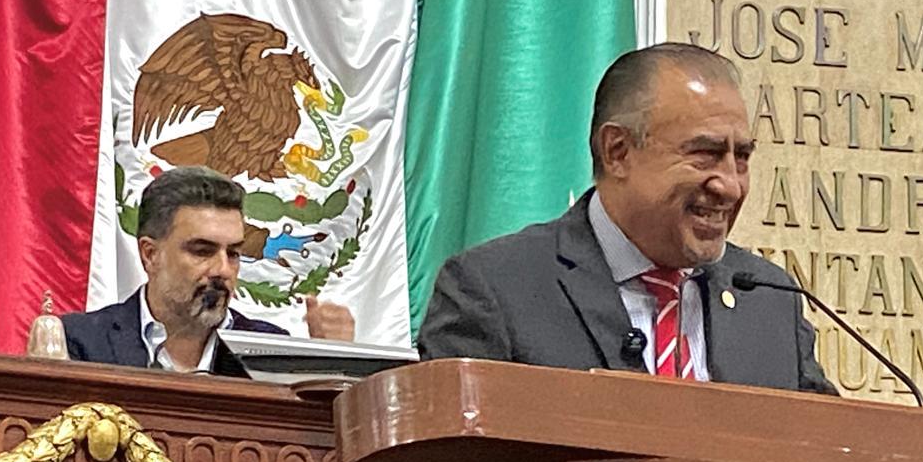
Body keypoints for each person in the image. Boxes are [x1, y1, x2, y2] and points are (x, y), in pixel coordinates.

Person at [417, 43, 836, 396]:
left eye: (741, 157)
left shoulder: (769, 302)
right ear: (618, 151)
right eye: (705, 154)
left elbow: (828, 456)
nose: (729, 185)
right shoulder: (494, 290)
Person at [63, 166, 355, 375]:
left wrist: (335, 364)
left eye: (234, 253)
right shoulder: (82, 345)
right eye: (202, 251)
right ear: (150, 255)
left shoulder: (270, 352)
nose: (223, 270)